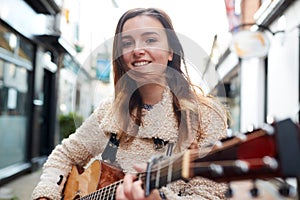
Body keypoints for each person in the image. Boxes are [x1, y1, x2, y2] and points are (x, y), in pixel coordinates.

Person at [32, 7, 229, 200]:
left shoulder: (206, 116)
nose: (137, 50)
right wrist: (45, 194)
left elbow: (208, 195)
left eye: (150, 40)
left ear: (170, 52)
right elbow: (64, 155)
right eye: (127, 43)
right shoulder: (109, 111)